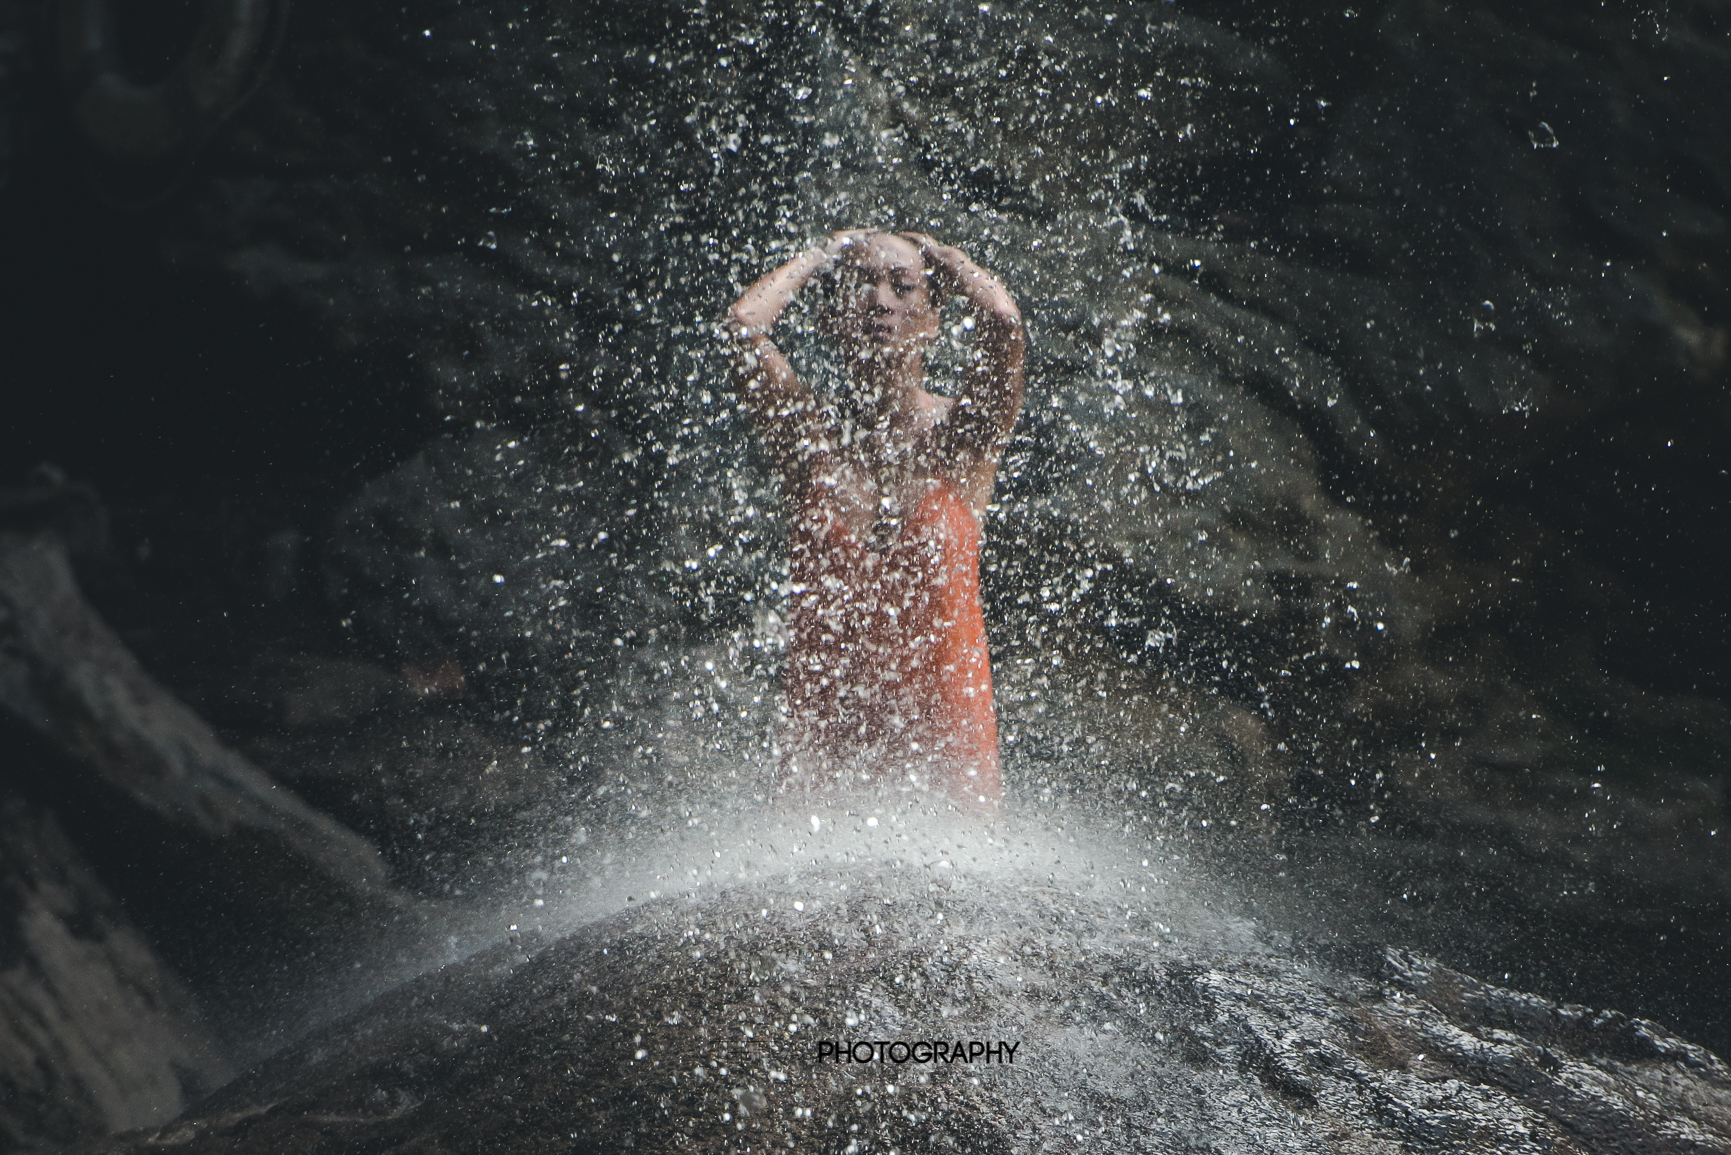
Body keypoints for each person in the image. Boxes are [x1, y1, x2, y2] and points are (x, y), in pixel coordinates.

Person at [726, 229, 1025, 812]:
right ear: (829, 318)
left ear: (933, 320)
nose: (880, 301)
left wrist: (946, 258)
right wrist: (818, 256)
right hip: (825, 753)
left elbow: (1004, 321)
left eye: (902, 287)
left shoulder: (963, 441)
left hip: (949, 758)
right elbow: (742, 327)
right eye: (861, 285)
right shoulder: (809, 441)